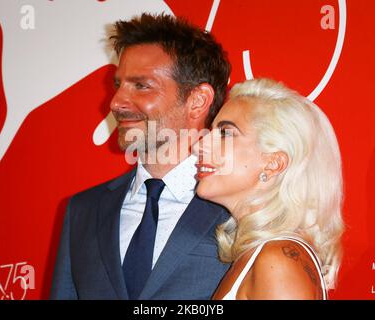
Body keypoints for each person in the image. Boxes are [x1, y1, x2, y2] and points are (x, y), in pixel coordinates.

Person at [50, 13, 231, 299]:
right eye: (118, 85)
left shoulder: (240, 212)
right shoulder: (82, 211)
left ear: (197, 101)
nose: (116, 102)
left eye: (141, 85)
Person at [192, 78, 344, 300]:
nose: (198, 145)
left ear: (273, 163)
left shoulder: (277, 262)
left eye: (225, 133)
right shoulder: (267, 255)